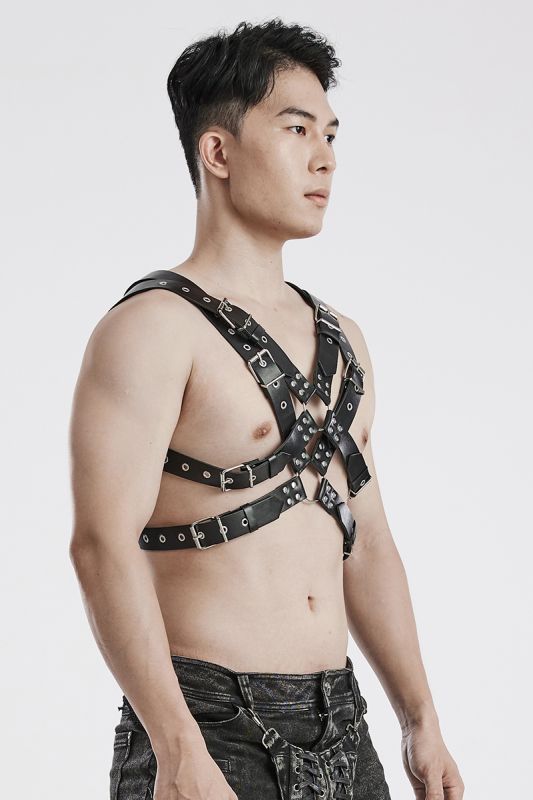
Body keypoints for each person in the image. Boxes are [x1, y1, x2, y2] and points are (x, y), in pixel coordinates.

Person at [68, 18, 464, 800]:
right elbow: (100, 546)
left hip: (342, 722)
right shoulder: (152, 328)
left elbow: (367, 543)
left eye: (330, 134)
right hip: (208, 725)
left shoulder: (342, 339)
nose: (325, 157)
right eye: (295, 129)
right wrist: (176, 747)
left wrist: (420, 718)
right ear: (217, 152)